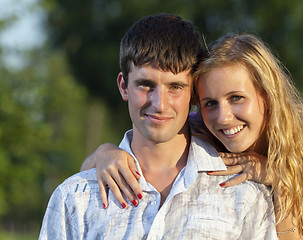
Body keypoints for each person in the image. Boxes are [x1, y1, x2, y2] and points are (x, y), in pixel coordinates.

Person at [81, 33, 303, 239]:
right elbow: (85, 176)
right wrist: (105, 152)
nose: (223, 117)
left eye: (236, 98)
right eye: (210, 102)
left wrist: (278, 177)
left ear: (268, 96)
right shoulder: (197, 125)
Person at [39, 14, 277, 239]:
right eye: (145, 85)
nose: (160, 104)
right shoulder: (75, 197)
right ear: (123, 86)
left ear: (193, 92)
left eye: (175, 87)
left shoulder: (246, 196)